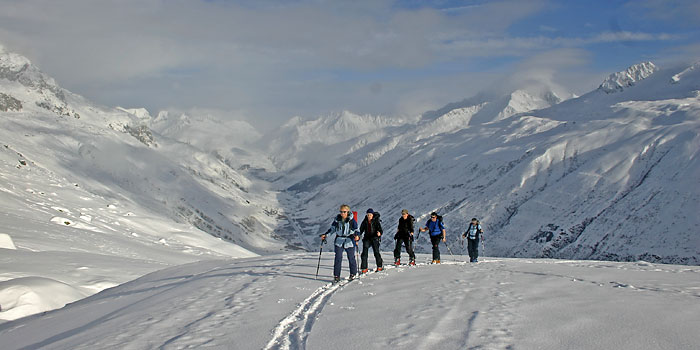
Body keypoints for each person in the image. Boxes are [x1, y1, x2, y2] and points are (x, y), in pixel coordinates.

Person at [320, 204, 360, 283]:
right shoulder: (337, 220)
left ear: (348, 212)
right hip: (339, 241)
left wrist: (357, 236)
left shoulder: (352, 221)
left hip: (349, 240)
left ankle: (353, 273)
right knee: (338, 258)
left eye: (344, 212)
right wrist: (326, 235)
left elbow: (357, 230)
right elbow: (332, 229)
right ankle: (336, 276)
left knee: (351, 258)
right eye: (341, 212)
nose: (342, 213)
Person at [359, 208, 384, 273]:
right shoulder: (365, 221)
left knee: (376, 252)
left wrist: (379, 233)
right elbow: (361, 229)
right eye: (368, 215)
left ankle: (380, 266)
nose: (369, 216)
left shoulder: (376, 221)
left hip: (375, 238)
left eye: (370, 214)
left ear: (372, 215)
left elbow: (380, 230)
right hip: (367, 238)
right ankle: (364, 268)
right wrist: (358, 235)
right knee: (364, 253)